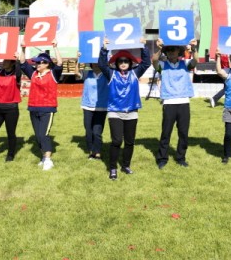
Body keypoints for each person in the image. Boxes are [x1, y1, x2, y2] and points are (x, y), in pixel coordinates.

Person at [98, 38, 151, 180]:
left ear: (130, 63)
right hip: (115, 111)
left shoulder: (135, 72)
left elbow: (146, 63)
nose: (123, 63)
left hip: (132, 111)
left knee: (129, 141)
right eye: (120, 61)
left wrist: (143, 46)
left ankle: (126, 165)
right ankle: (113, 168)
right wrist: (104, 49)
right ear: (116, 62)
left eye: (126, 61)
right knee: (116, 141)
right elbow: (102, 64)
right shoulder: (111, 73)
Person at [154, 38, 199, 169]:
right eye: (169, 50)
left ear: (179, 52)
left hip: (184, 102)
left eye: (175, 50)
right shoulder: (162, 66)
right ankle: (162, 158)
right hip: (169, 102)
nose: (172, 52)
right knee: (166, 132)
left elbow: (196, 60)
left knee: (183, 133)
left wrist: (194, 48)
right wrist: (159, 48)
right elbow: (154, 61)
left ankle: (181, 158)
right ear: (166, 53)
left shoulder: (185, 64)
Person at [19, 40, 63, 171]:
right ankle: (43, 156)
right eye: (36, 62)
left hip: (47, 108)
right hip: (33, 107)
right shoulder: (33, 73)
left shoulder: (53, 74)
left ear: (47, 64)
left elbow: (59, 63)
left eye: (40, 62)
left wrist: (55, 47)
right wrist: (23, 47)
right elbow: (22, 62)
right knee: (38, 136)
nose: (37, 64)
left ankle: (48, 160)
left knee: (44, 134)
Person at [75, 54, 109, 160]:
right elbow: (76, 73)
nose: (96, 64)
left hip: (101, 106)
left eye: (98, 62)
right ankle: (91, 151)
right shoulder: (87, 73)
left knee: (97, 131)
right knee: (88, 131)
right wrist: (78, 59)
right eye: (93, 62)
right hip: (87, 106)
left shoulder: (107, 74)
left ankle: (97, 152)